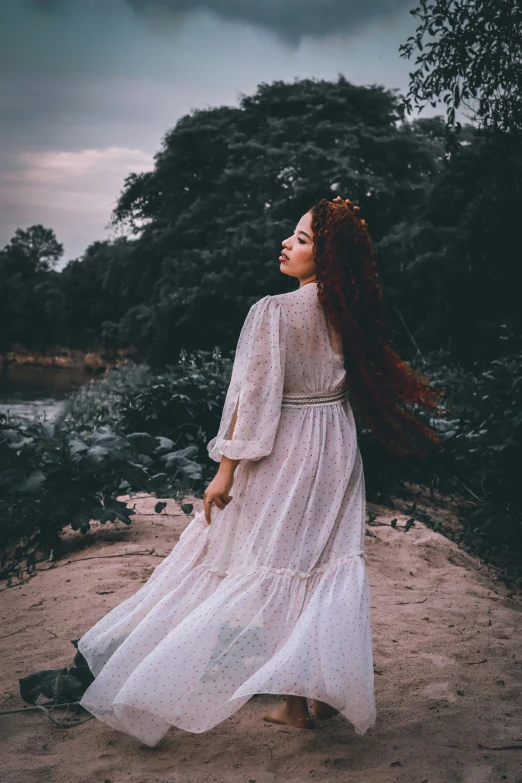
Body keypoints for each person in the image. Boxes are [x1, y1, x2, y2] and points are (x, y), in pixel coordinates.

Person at [77, 196, 444, 746]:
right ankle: (309, 694)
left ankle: (247, 697)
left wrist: (225, 469)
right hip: (336, 446)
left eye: (302, 239)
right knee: (321, 561)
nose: (286, 243)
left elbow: (254, 399)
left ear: (331, 255)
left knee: (264, 561)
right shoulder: (353, 310)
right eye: (292, 234)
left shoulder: (275, 310)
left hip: (285, 446)